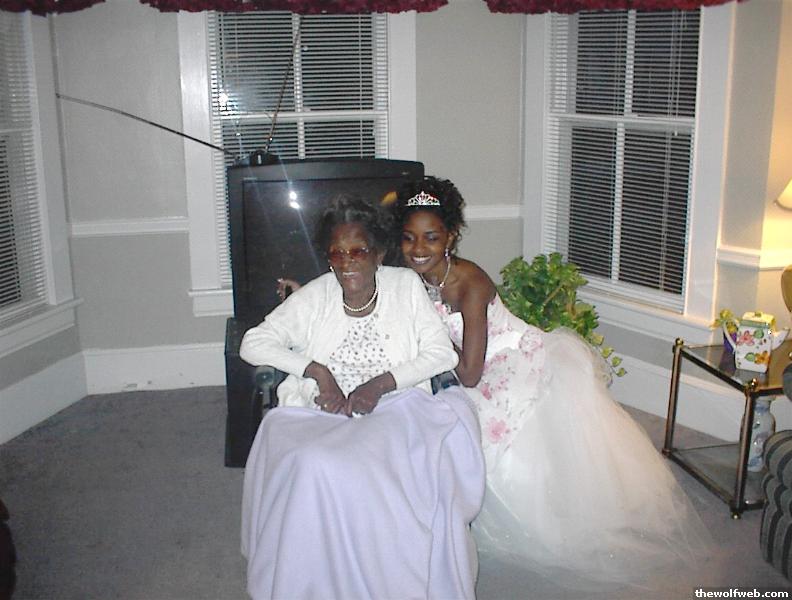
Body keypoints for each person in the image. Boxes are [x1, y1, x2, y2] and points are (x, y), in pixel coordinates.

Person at [392, 176, 711, 587]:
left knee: (479, 422)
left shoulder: (470, 283)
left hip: (507, 360)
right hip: (466, 361)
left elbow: (471, 373)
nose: (418, 248)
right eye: (409, 238)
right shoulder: (412, 276)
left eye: (431, 238)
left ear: (450, 237)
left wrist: (429, 352)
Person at [239, 194, 485, 599]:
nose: (347, 262)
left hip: (397, 404)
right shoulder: (317, 294)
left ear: (378, 254)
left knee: (368, 467)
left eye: (358, 251)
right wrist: (318, 373)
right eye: (337, 253)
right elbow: (253, 343)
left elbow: (441, 354)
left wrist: (381, 384)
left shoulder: (404, 286)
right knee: (311, 463)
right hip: (322, 410)